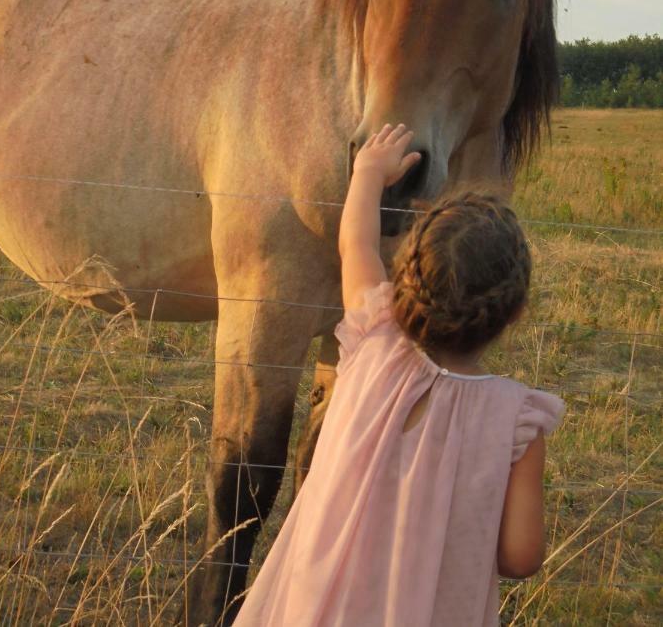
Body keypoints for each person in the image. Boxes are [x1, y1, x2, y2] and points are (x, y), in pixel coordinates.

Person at [234, 124, 564, 626]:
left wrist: (367, 172)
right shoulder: (516, 421)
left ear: (406, 273)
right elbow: (520, 557)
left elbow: (357, 247)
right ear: (514, 313)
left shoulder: (373, 340)